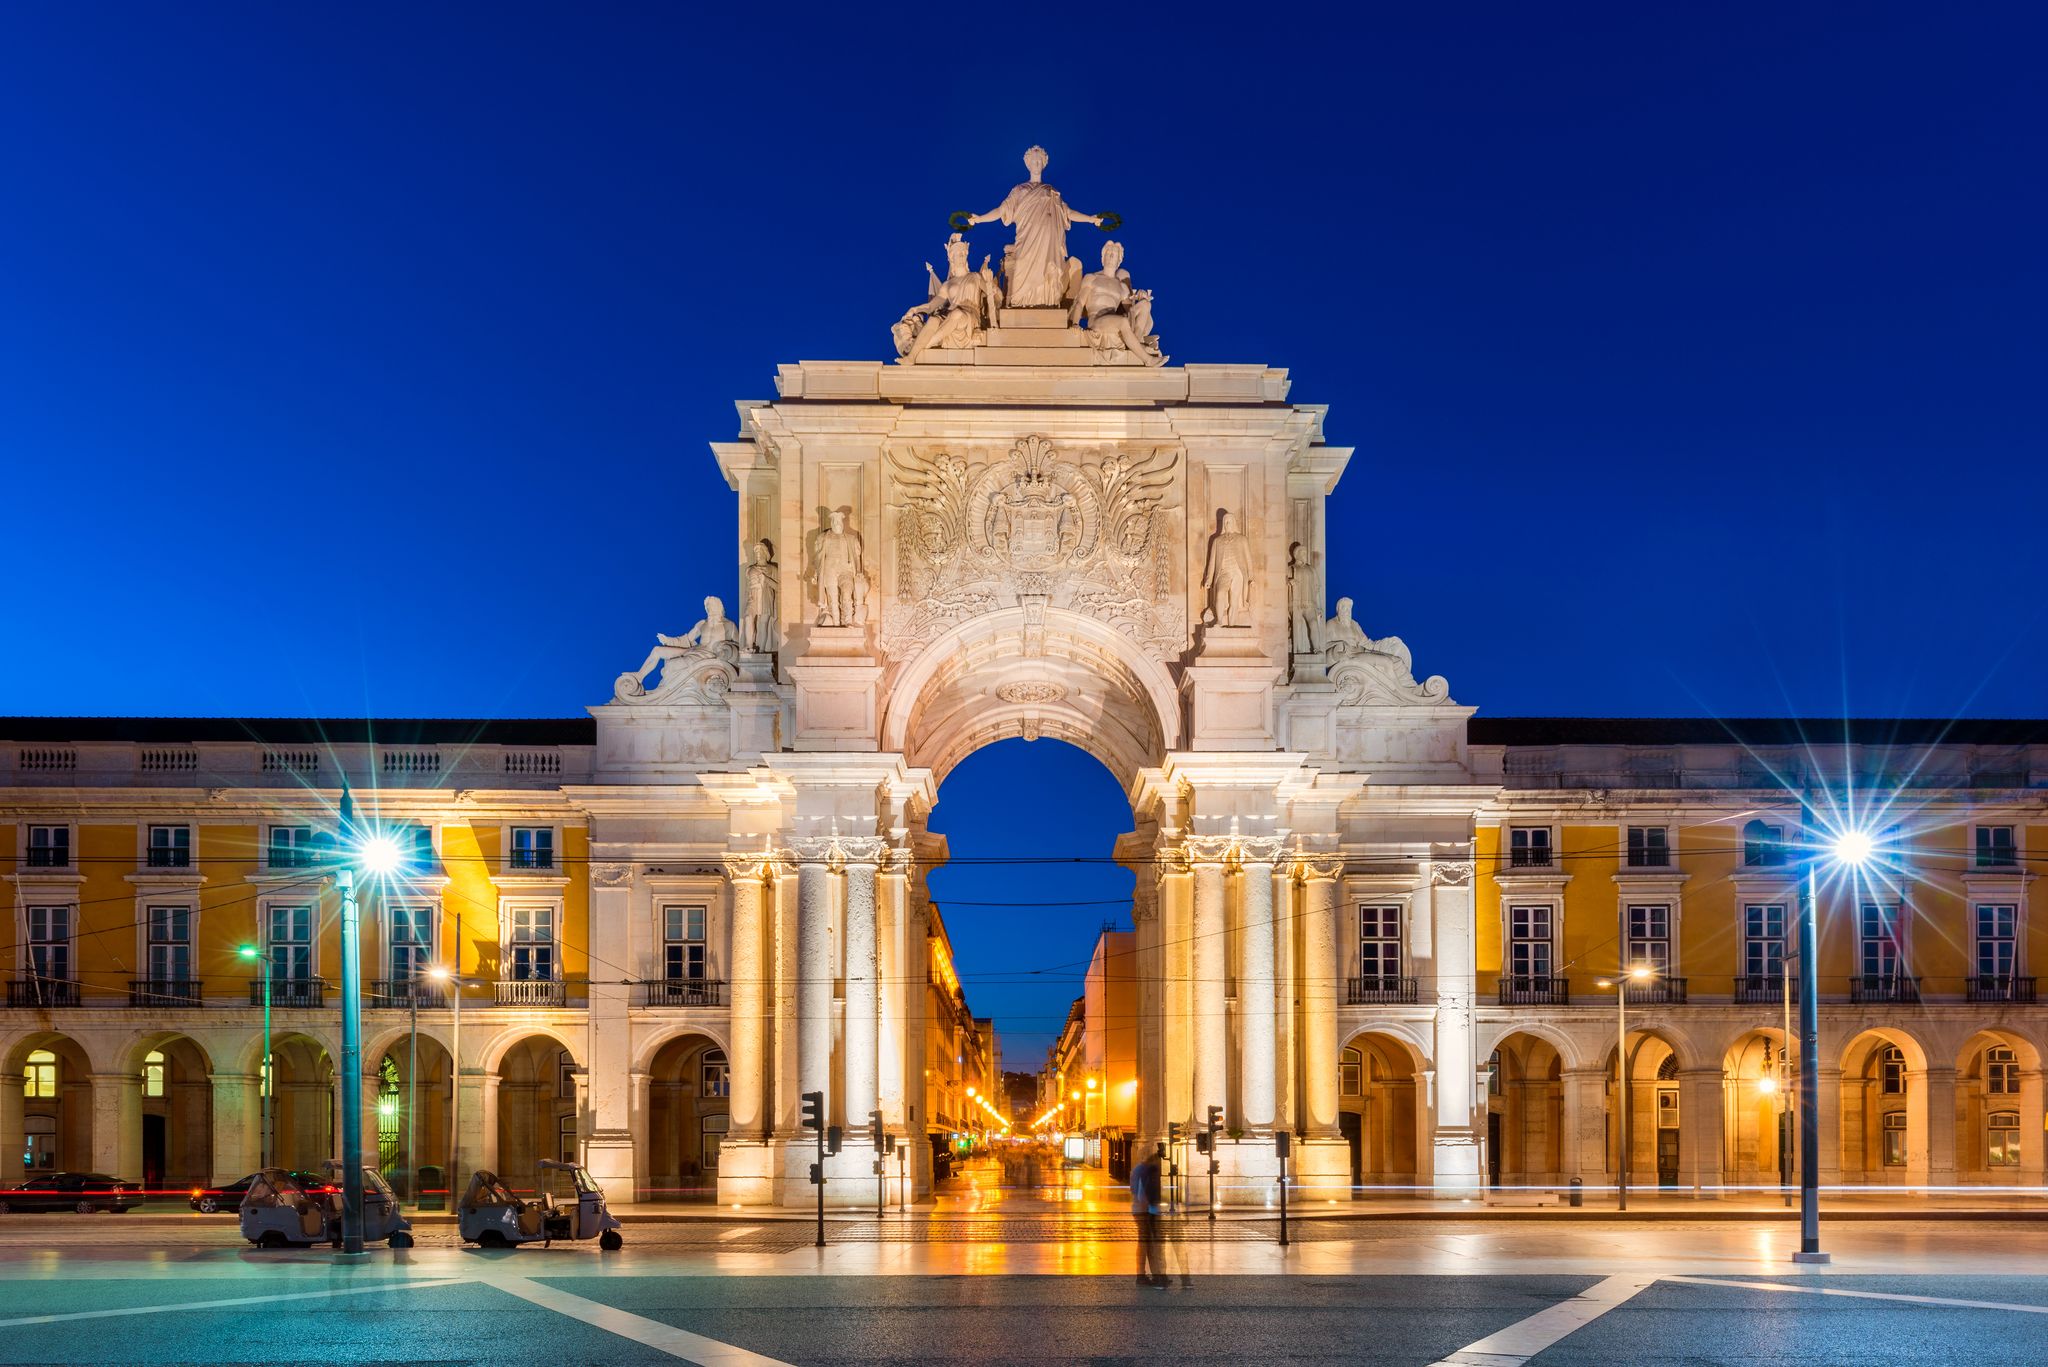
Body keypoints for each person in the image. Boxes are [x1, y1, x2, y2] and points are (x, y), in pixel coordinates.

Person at [1131, 1143, 1169, 1288]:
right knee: (1149, 1244)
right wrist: (1150, 1211)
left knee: (1146, 1244)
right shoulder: (1143, 1170)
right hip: (1144, 1212)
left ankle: (1150, 1275)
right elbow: (1142, 1194)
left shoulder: (1139, 1169)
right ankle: (1149, 1276)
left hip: (1143, 1211)